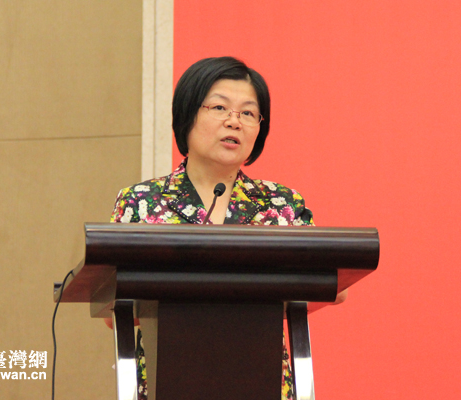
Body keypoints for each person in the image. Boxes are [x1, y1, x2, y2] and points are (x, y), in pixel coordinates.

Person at [108, 56, 347, 400]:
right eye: (220, 107)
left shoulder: (280, 204)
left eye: (248, 113)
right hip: (168, 380)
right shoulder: (142, 201)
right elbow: (113, 306)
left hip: (263, 382)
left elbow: (333, 285)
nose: (234, 122)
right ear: (187, 114)